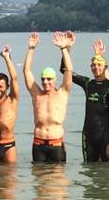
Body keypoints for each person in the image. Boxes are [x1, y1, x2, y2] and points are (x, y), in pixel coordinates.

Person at [61, 36, 109, 162]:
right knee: (89, 170)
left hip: (105, 135)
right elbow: (64, 70)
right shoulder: (88, 83)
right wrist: (67, 48)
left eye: (99, 65)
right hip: (87, 135)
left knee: (108, 173)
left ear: (105, 67)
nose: (96, 67)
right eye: (93, 65)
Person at [24, 31, 73, 162]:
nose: (46, 82)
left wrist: (64, 48)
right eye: (43, 79)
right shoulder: (36, 94)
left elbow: (69, 70)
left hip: (56, 145)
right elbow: (26, 71)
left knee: (57, 181)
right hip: (38, 145)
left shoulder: (62, 92)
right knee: (39, 180)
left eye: (49, 79)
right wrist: (31, 49)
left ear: (55, 79)